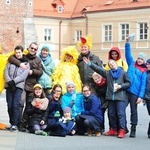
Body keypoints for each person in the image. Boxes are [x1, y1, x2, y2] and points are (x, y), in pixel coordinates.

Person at [83, 57, 130, 138]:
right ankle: (113, 129)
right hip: (110, 97)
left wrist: (121, 86)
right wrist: (90, 64)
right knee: (111, 114)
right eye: (110, 65)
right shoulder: (108, 73)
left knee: (120, 114)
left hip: (120, 97)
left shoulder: (123, 73)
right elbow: (98, 69)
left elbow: (128, 83)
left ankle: (122, 129)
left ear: (116, 64)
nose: (112, 65)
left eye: (113, 63)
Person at [8, 42, 43, 131]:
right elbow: (11, 58)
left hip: (32, 85)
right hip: (22, 84)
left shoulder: (38, 60)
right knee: (20, 104)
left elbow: (40, 72)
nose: (33, 50)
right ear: (28, 48)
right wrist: (20, 64)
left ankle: (24, 124)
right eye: (32, 48)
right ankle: (18, 123)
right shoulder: (23, 56)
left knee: (29, 105)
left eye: (35, 49)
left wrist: (33, 71)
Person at [125, 37, 147, 138]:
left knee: (134, 111)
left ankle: (133, 128)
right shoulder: (131, 64)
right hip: (126, 90)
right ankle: (123, 127)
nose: (139, 60)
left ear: (144, 61)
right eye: (138, 58)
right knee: (121, 109)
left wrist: (140, 96)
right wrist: (127, 43)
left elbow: (143, 85)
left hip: (135, 93)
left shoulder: (144, 71)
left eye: (141, 59)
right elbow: (128, 54)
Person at [4, 45, 30, 132]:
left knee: (15, 105)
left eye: (19, 52)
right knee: (9, 105)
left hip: (18, 86)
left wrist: (14, 82)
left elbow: (24, 75)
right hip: (9, 86)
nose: (18, 54)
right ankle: (11, 123)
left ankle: (15, 124)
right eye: (16, 53)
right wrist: (10, 82)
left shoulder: (26, 63)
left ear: (22, 52)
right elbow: (6, 72)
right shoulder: (10, 62)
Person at [143, 58, 150, 138]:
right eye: (147, 64)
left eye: (149, 64)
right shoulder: (146, 73)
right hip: (148, 98)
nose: (147, 66)